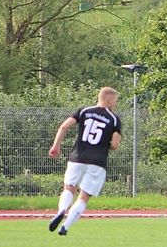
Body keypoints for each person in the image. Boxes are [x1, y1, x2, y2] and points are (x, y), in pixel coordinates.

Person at [47, 87, 123, 236]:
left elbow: (64, 126)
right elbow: (114, 145)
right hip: (98, 162)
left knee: (69, 188)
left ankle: (61, 210)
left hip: (77, 157)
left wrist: (55, 146)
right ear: (109, 100)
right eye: (115, 100)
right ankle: (65, 227)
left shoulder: (84, 111)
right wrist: (104, 143)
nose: (116, 104)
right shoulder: (114, 119)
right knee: (83, 197)